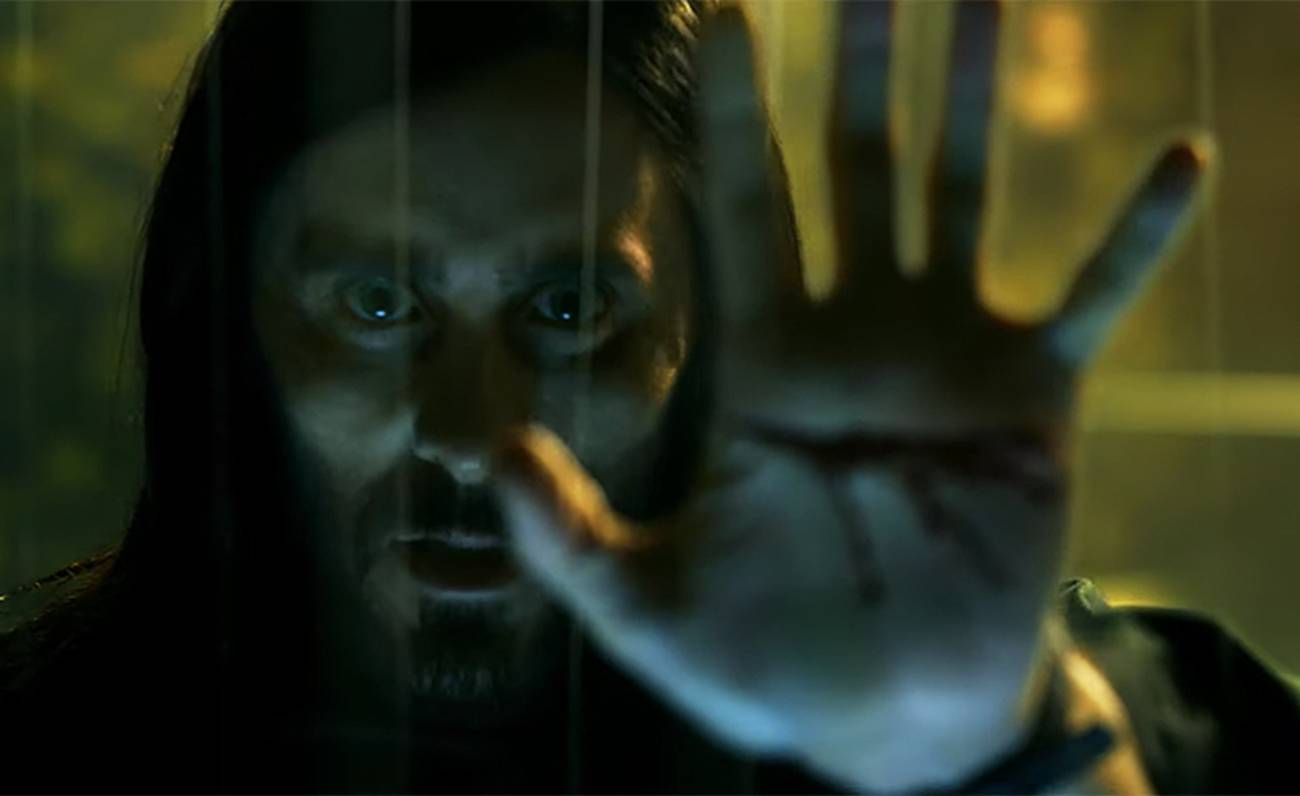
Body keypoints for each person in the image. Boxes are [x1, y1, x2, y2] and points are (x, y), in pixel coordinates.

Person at [1, 1, 1296, 793]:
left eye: (570, 313)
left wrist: (995, 754)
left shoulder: (1012, 695)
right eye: (378, 308)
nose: (475, 433)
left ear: (709, 346)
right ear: (225, 328)